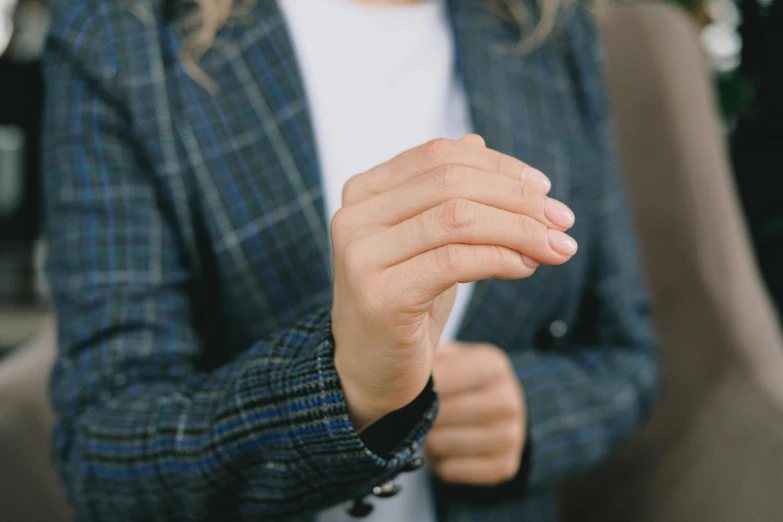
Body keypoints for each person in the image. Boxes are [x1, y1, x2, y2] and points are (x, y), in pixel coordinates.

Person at [41, 0, 658, 520]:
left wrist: (532, 409)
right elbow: (103, 444)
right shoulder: (122, 32)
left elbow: (627, 357)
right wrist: (347, 389)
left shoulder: (546, 27)